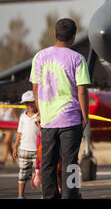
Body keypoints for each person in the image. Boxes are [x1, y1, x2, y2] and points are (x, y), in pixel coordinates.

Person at [30, 18, 91, 199]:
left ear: (55, 34)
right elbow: (82, 91)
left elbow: (36, 87)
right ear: (74, 37)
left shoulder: (39, 56)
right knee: (70, 163)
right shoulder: (78, 59)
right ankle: (70, 196)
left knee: (48, 163)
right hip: (71, 119)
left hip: (48, 120)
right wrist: (85, 116)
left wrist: (41, 111)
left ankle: (50, 197)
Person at [12, 91, 39, 199]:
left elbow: (44, 132)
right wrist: (15, 147)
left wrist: (38, 122)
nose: (28, 106)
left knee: (40, 175)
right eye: (26, 103)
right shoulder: (23, 116)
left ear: (36, 102)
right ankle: (20, 195)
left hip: (38, 151)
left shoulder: (40, 116)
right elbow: (19, 133)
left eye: (30, 103)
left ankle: (44, 195)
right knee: (22, 174)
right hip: (24, 150)